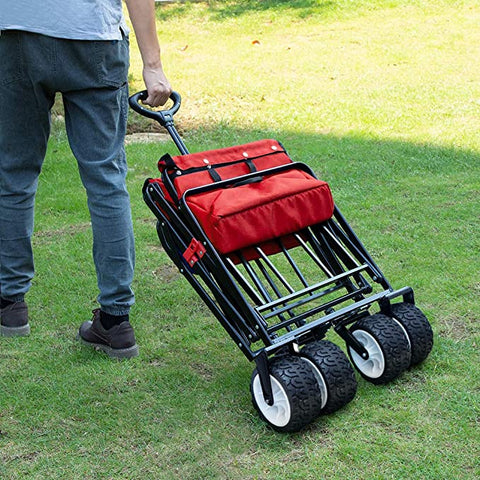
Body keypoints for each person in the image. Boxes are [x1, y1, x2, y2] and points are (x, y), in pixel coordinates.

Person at [0, 0, 172, 358]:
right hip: (93, 36)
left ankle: (9, 305)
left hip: (18, 34)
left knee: (14, 174)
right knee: (106, 181)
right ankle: (115, 320)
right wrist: (152, 65)